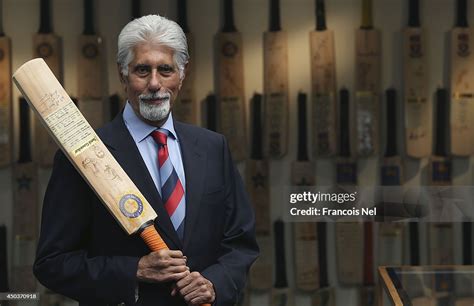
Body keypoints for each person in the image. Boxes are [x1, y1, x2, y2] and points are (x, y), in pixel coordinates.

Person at [33, 14, 259, 306]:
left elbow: (241, 244)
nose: (154, 83)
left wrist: (214, 284)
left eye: (165, 69)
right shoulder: (83, 156)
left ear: (182, 73)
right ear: (122, 74)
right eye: (142, 70)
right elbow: (52, 263)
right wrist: (133, 270)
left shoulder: (213, 147)